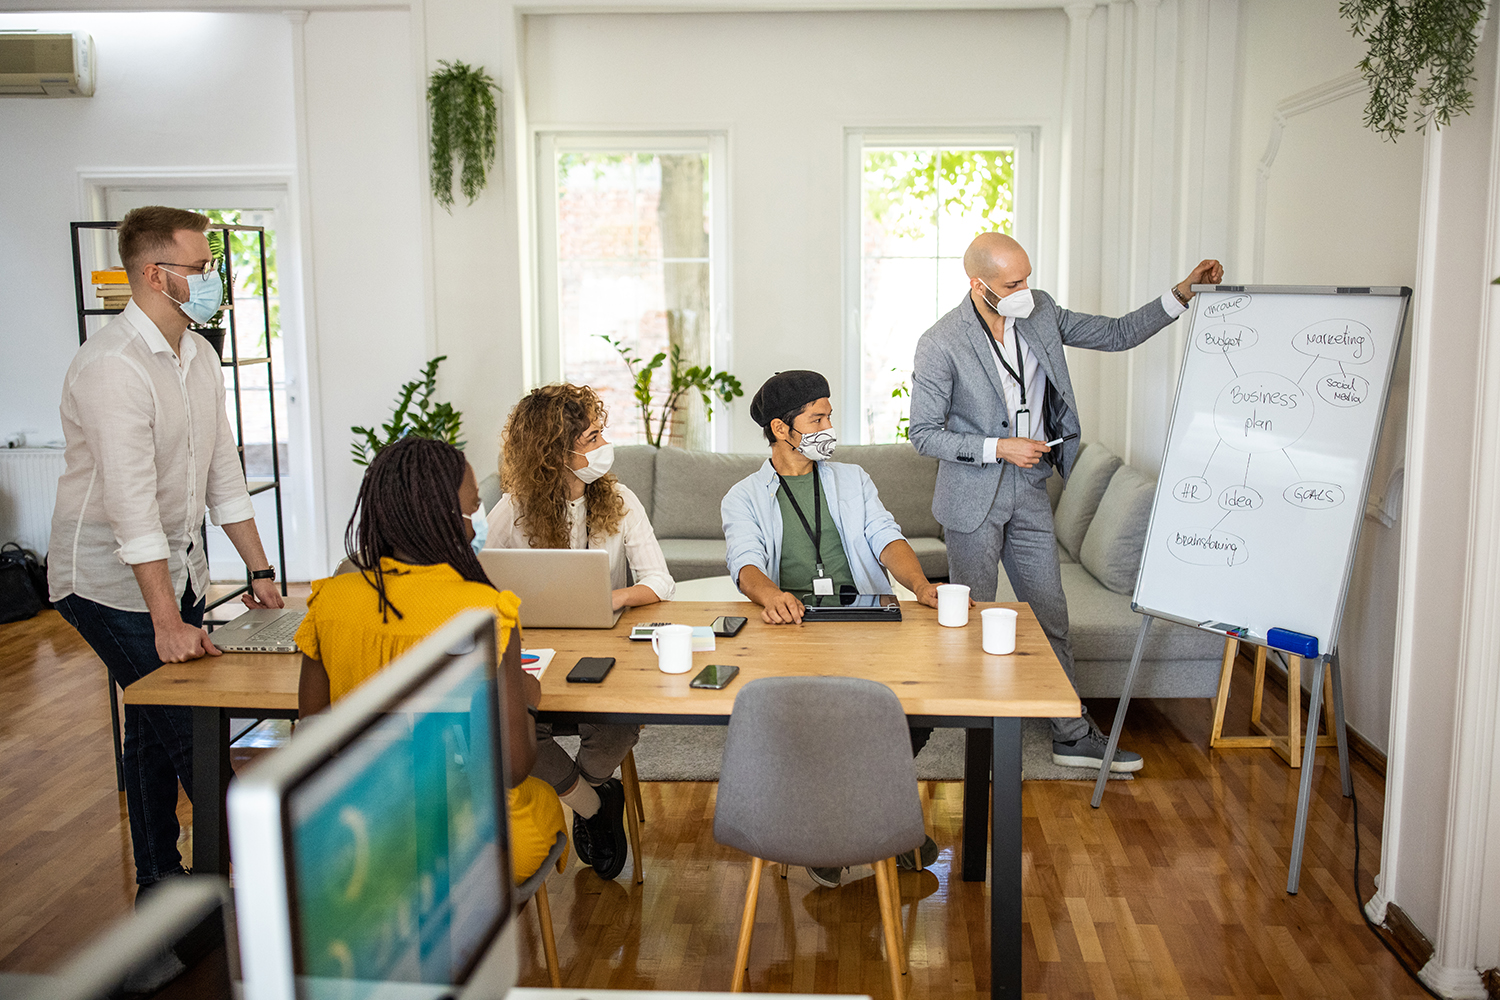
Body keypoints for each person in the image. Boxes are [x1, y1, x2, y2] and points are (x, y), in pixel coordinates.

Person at [909, 231, 1224, 774]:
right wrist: (997, 447)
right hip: (972, 498)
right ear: (978, 285)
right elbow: (923, 434)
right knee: (973, 620)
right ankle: (973, 728)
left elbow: (1118, 333)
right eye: (1012, 283)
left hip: (1031, 491)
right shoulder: (940, 343)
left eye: (1027, 277)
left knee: (1050, 614)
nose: (1024, 290)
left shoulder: (1040, 311)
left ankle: (1071, 734)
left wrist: (1183, 293)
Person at [48, 205, 285, 899]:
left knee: (151, 725)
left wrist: (261, 569)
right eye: (203, 267)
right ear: (157, 274)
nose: (216, 279)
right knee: (188, 732)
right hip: (100, 579)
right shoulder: (112, 368)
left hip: (173, 569)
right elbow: (131, 509)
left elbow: (223, 477)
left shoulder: (200, 356)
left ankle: (160, 884)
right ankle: (260, 883)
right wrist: (166, 622)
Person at [294, 436, 566, 884]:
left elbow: (311, 742)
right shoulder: (485, 612)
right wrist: (528, 701)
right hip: (473, 839)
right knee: (541, 801)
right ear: (443, 516)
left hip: (361, 840)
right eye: (471, 510)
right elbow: (513, 768)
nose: (475, 526)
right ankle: (469, 942)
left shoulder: (329, 601)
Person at [721, 369, 943, 887]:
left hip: (864, 620)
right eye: (816, 418)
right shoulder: (745, 496)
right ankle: (873, 831)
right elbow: (745, 562)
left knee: (915, 709)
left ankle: (828, 828)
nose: (828, 427)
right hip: (790, 630)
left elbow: (887, 537)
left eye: (829, 416)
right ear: (781, 428)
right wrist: (770, 595)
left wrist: (920, 586)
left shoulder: (852, 479)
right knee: (811, 717)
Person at [486, 383, 674, 881]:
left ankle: (584, 797)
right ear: (555, 451)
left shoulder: (621, 499)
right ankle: (595, 805)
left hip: (603, 644)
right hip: (535, 650)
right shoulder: (512, 510)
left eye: (599, 433)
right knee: (514, 731)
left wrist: (610, 598)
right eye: (591, 437)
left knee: (620, 725)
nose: (602, 446)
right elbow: (479, 581)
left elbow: (660, 580)